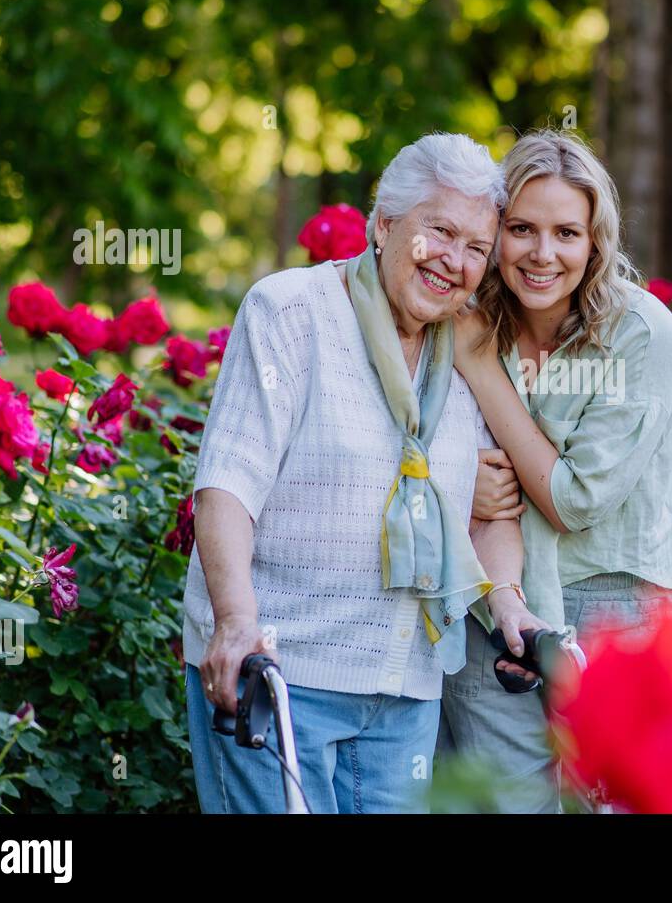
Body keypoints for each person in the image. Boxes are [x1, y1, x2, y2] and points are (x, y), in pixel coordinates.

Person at [183, 132, 549, 813]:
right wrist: (235, 623)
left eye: (476, 248)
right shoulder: (291, 313)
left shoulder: (466, 350)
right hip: (279, 674)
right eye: (438, 232)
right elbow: (227, 483)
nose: (454, 262)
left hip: (404, 689)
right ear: (384, 226)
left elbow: (490, 509)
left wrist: (509, 604)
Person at [441, 130, 672, 812]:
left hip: (615, 603)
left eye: (566, 232)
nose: (542, 254)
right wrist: (465, 489)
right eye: (521, 228)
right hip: (494, 601)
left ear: (595, 240)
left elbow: (576, 499)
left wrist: (479, 369)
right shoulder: (469, 316)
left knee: (614, 802)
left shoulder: (640, 332)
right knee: (507, 804)